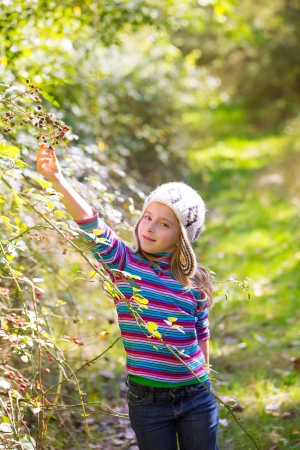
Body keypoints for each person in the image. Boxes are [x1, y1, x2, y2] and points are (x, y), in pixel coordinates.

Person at [36, 143, 219, 450]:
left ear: (183, 240)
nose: (150, 228)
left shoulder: (193, 281)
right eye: (148, 217)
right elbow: (91, 225)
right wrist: (58, 180)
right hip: (147, 401)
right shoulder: (125, 265)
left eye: (164, 224)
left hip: (196, 395)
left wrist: (206, 382)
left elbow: (201, 333)